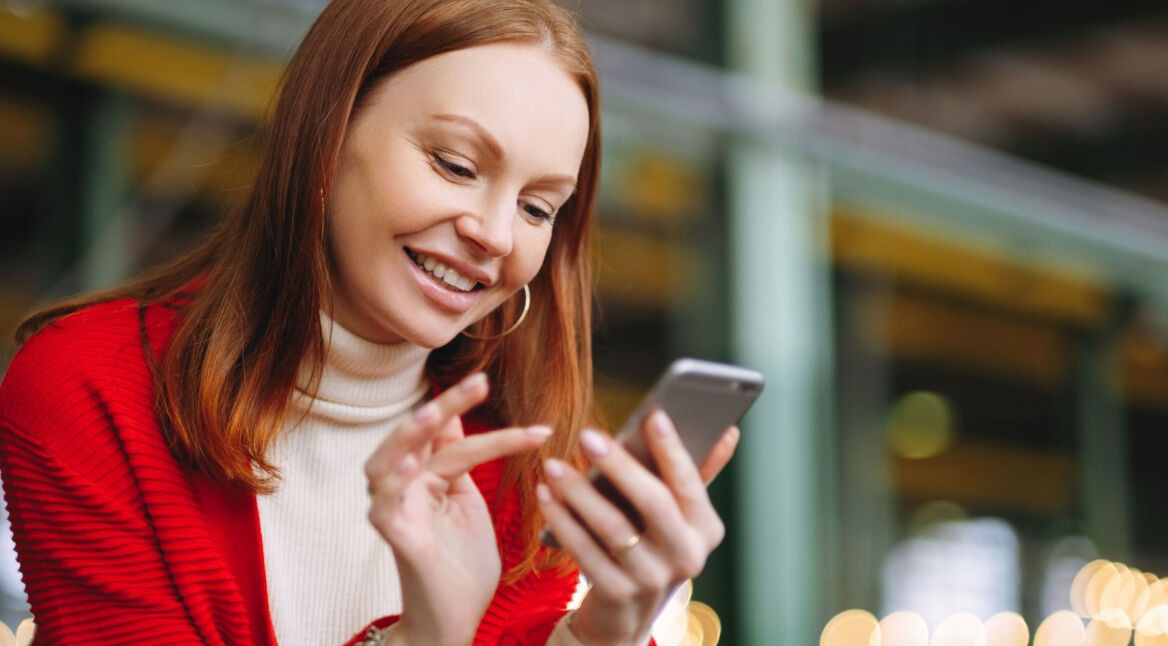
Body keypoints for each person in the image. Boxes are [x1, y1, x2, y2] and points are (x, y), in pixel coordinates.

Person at [0, 0, 740, 644]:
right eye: (455, 165)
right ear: (324, 136)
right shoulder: (92, 388)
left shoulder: (528, 472)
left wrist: (602, 635)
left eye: (538, 208)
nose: (497, 236)